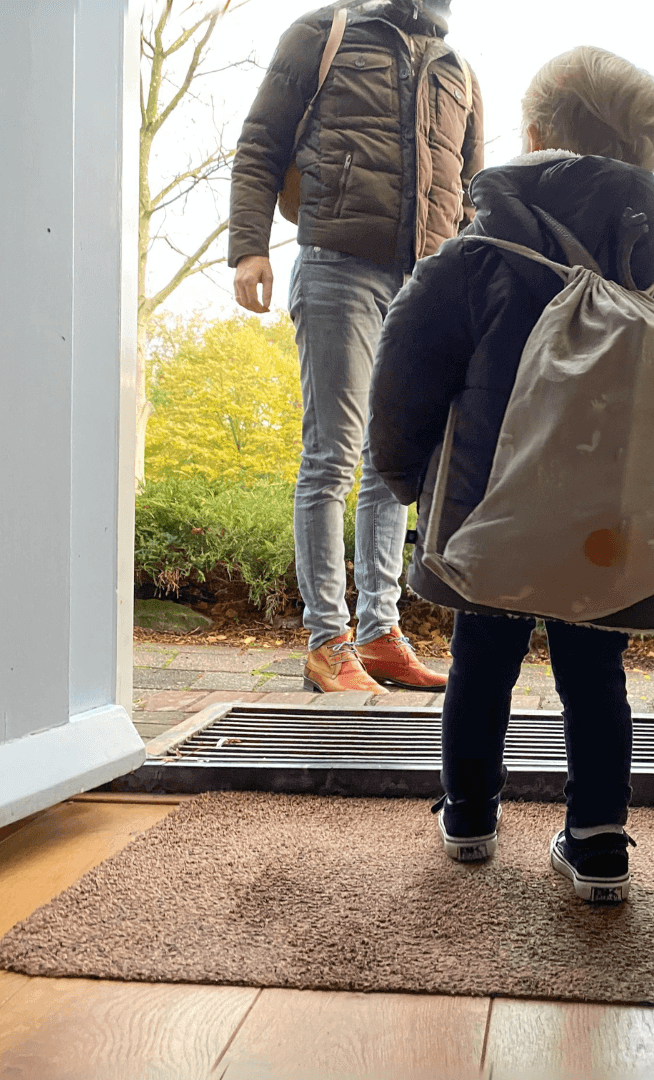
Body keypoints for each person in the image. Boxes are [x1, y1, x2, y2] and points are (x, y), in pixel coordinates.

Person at [368, 47, 654, 903]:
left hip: (492, 511)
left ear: (532, 137)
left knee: (480, 661)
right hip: (611, 534)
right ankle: (600, 842)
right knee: (593, 676)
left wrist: (403, 478)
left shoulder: (474, 258)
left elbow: (406, 371)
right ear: (648, 162)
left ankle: (468, 818)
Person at [228, 0, 480, 694]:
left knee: (392, 461)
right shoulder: (323, 33)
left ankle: (378, 633)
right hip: (338, 262)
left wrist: (471, 286)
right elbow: (260, 144)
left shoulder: (457, 69)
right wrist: (250, 247)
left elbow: (471, 193)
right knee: (333, 454)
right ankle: (326, 640)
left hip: (425, 279)